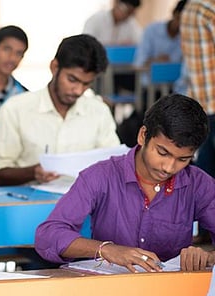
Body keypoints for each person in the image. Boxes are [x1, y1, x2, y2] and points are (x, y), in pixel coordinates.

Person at [35, 94, 215, 272]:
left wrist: (207, 256)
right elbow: (48, 235)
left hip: (172, 293)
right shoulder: (101, 176)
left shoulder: (198, 184)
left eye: (183, 159)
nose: (169, 167)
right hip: (110, 293)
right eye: (162, 152)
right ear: (143, 136)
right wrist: (106, 249)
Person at [0, 34, 120, 186]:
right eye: (72, 80)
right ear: (54, 67)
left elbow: (113, 165)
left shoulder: (99, 112)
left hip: (85, 202)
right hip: (28, 203)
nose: (78, 90)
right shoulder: (15, 110)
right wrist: (34, 172)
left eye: (87, 84)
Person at [181, 0, 215, 178]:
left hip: (200, 98)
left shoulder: (191, 6)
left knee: (205, 167)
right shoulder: (209, 9)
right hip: (213, 98)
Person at [134, 0, 186, 90]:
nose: (181, 25)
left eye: (186, 22)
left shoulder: (187, 38)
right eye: (179, 19)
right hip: (150, 88)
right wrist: (156, 61)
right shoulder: (151, 30)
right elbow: (138, 63)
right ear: (174, 14)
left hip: (174, 88)